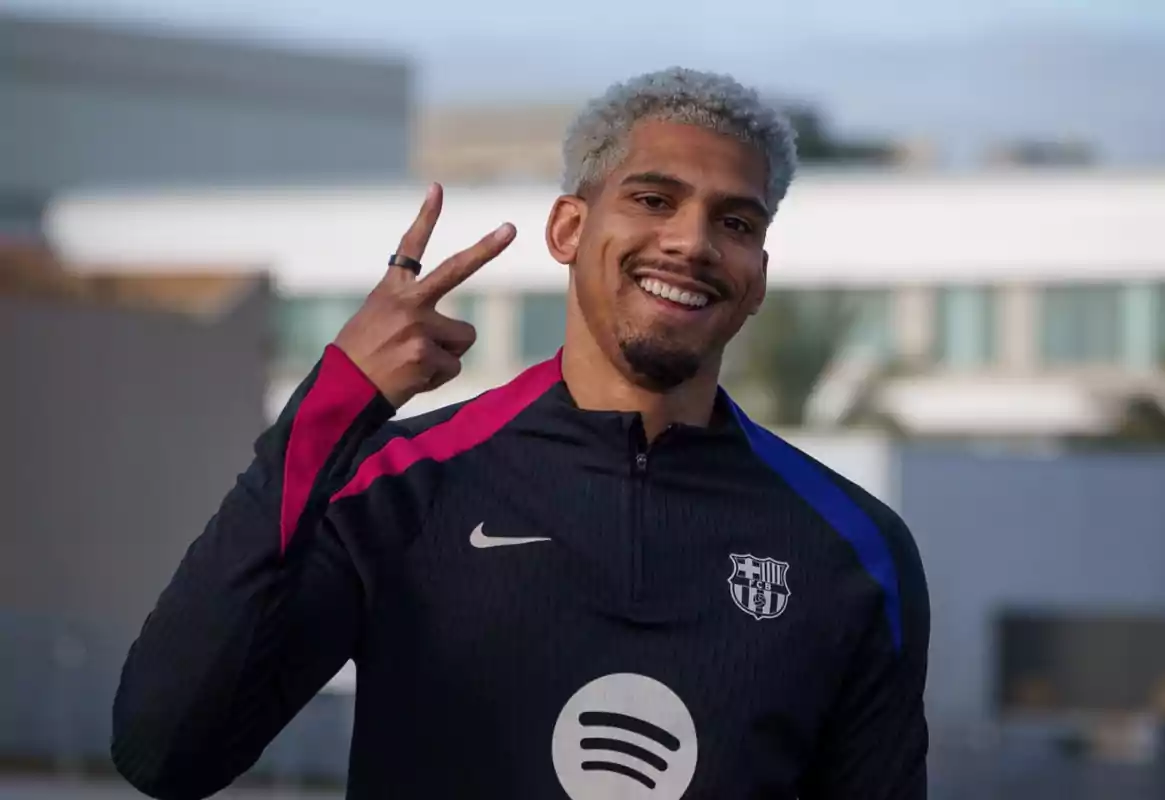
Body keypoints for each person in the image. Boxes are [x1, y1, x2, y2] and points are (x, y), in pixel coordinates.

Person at [112, 67, 929, 800]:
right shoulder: (400, 488)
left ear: (757, 279)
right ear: (568, 229)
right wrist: (336, 402)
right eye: (653, 199)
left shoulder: (853, 550)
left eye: (737, 223)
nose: (691, 241)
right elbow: (166, 750)